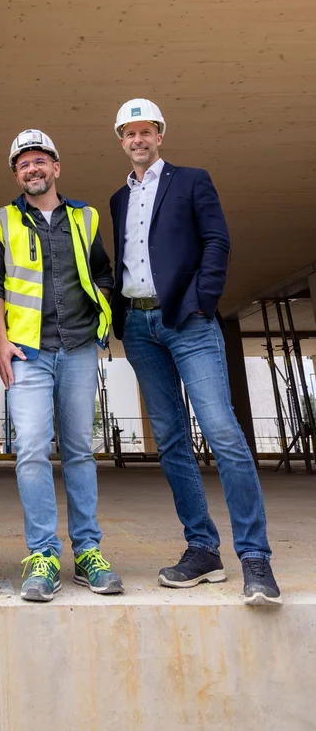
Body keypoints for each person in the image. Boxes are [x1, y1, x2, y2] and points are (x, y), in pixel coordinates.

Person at [109, 98, 280, 606]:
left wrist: (203, 301)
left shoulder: (192, 180)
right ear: (121, 141)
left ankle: (255, 557)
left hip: (189, 320)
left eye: (146, 132)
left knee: (223, 431)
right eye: (129, 134)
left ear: (160, 135)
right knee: (171, 440)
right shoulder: (119, 199)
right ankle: (203, 549)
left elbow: (216, 241)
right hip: (139, 326)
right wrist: (121, 319)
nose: (138, 141)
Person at [0, 129, 123, 602]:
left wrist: (100, 309)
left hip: (80, 347)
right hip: (28, 351)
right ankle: (43, 553)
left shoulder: (84, 217)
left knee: (81, 451)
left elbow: (103, 271)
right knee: (30, 451)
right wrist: (1, 343)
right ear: (16, 174)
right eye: (23, 163)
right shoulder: (0, 221)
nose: (32, 168)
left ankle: (88, 552)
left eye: (40, 160)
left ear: (56, 167)